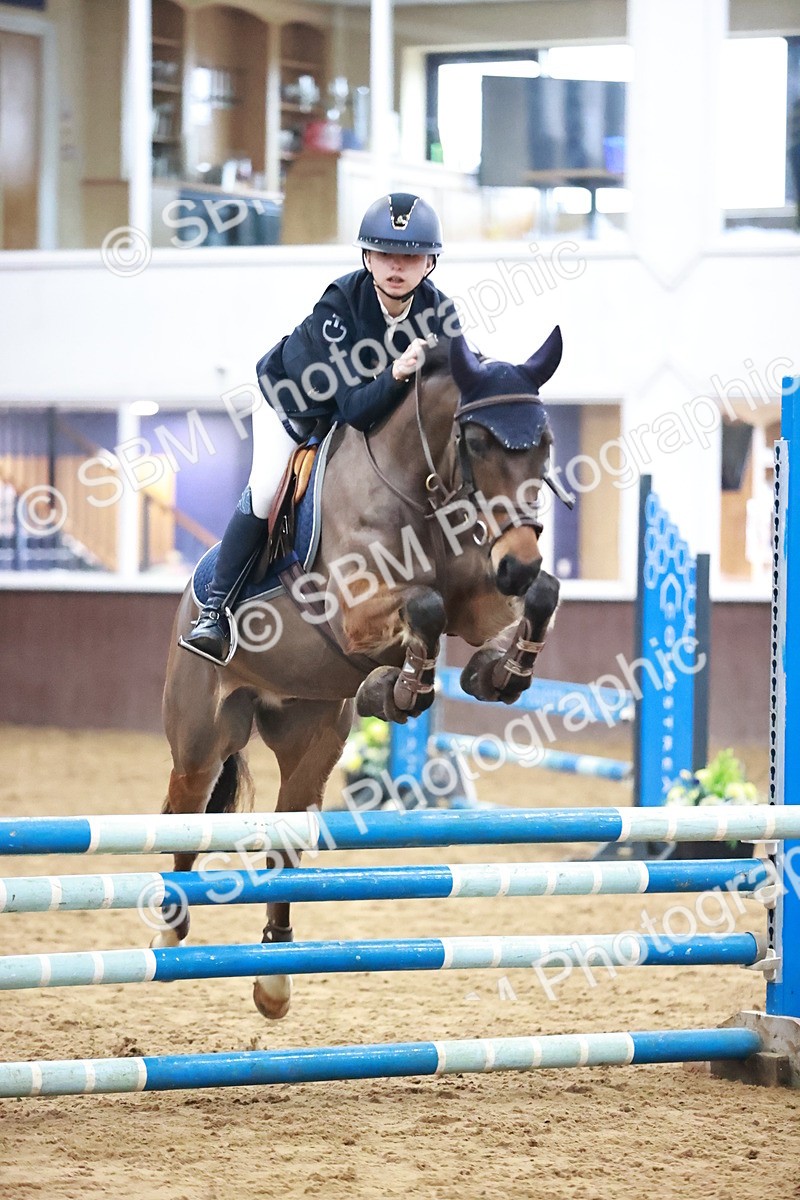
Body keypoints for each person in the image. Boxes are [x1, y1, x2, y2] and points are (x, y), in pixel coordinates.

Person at [183, 192, 458, 663]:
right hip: (296, 407)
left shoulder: (441, 314)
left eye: (410, 256)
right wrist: (396, 371)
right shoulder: (339, 307)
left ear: (429, 263)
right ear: (367, 257)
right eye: (385, 254)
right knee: (268, 488)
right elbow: (352, 407)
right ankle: (214, 610)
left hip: (370, 414)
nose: (396, 267)